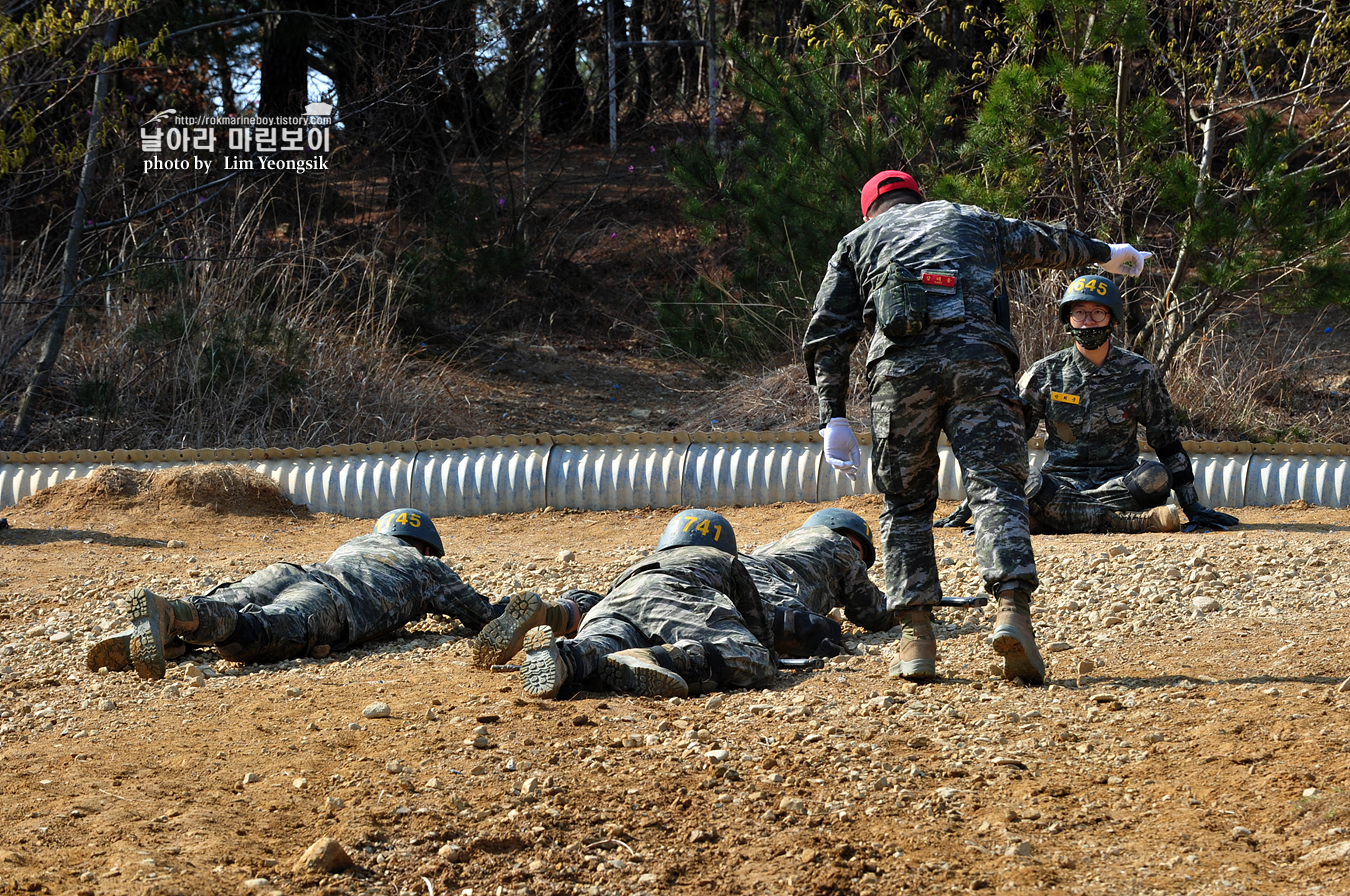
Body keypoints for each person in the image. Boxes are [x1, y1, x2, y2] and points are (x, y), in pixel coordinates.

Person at [802, 169, 1151, 685]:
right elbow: (1043, 241)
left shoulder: (856, 242)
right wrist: (1104, 253)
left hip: (902, 376)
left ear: (869, 209)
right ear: (917, 198)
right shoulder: (967, 219)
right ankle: (1012, 612)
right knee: (997, 489)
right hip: (980, 367)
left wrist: (833, 414)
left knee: (905, 502)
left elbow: (829, 333)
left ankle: (917, 640)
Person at [86, 508, 499, 680]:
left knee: (233, 597)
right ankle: (186, 627)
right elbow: (484, 617)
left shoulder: (356, 541)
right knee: (260, 632)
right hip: (335, 601)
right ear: (426, 545)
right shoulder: (428, 567)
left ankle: (172, 617)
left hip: (294, 570)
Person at [1014, 274, 1239, 534]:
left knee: (1156, 476)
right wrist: (977, 500)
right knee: (1023, 479)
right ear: (1068, 320)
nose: (1088, 321)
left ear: (1113, 319)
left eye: (1098, 312)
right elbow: (1013, 438)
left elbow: (1166, 443)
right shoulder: (1043, 373)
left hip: (1120, 485)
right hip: (1060, 484)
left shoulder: (1140, 372)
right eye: (1079, 313)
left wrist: (1192, 506)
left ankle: (1055, 519)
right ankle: (1126, 521)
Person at [516, 508, 777, 699]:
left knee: (606, 642)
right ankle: (661, 659)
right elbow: (758, 629)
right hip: (674, 596)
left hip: (614, 604)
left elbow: (609, 598)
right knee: (754, 658)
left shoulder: (640, 565)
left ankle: (567, 657)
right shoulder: (722, 558)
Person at [740, 508, 892, 659]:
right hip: (770, 598)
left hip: (729, 575)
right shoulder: (840, 545)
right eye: (857, 552)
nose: (858, 562)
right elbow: (873, 612)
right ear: (840, 533)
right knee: (815, 632)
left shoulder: (769, 547)